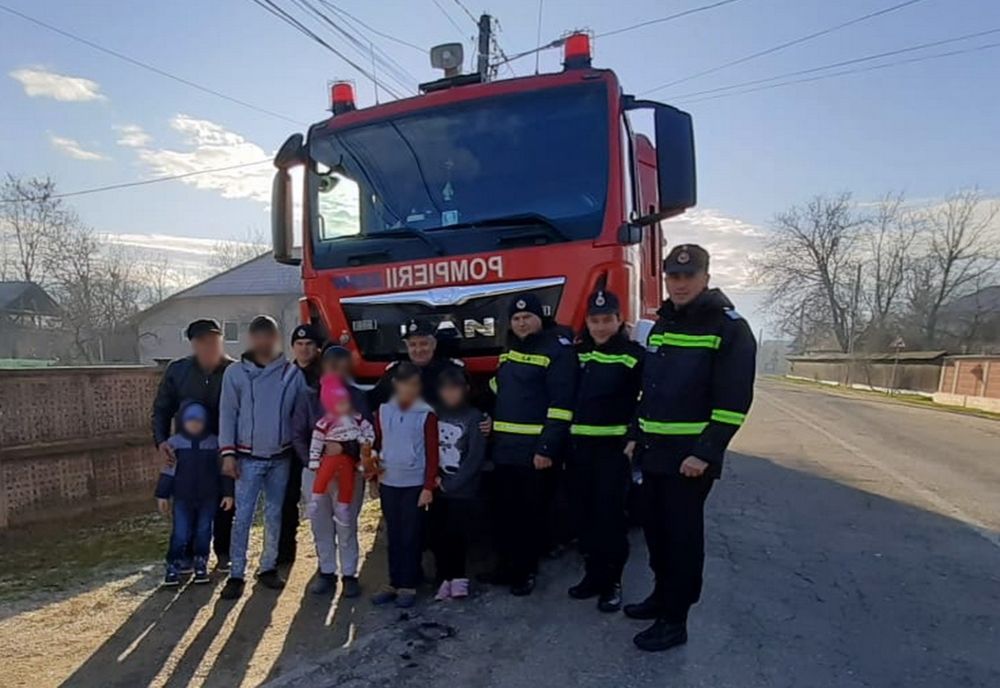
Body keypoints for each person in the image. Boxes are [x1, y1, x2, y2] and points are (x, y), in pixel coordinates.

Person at [625, 244, 756, 652]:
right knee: (657, 534)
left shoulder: (729, 328)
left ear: (706, 278)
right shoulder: (662, 324)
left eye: (688, 276)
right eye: (673, 276)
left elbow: (734, 402)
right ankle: (661, 597)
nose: (679, 283)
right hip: (653, 452)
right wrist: (634, 433)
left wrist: (706, 452)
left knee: (681, 540)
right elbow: (650, 389)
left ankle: (675, 619)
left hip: (689, 460)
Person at [488, 293, 577, 596]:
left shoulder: (557, 350)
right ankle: (504, 568)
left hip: (533, 451)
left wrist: (547, 449)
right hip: (505, 448)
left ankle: (525, 572)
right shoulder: (510, 348)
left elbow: (561, 406)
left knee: (529, 515)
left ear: (541, 318)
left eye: (527, 317)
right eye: (516, 318)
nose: (522, 322)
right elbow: (501, 388)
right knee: (504, 512)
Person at [218, 315, 306, 600]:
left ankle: (268, 566)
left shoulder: (291, 375)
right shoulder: (235, 374)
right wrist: (228, 453)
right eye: (258, 336)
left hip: (280, 457)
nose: (263, 342)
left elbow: (301, 415)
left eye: (269, 336)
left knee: (274, 515)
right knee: (242, 516)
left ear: (276, 338)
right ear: (251, 339)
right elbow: (227, 414)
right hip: (246, 458)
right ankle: (236, 573)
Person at [566, 289, 644, 613]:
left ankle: (612, 582)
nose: (600, 327)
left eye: (607, 320)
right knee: (583, 516)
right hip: (578, 449)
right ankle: (593, 576)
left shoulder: (633, 355)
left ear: (619, 320)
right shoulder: (578, 352)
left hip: (612, 451)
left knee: (609, 519)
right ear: (587, 322)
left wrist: (634, 436)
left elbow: (649, 399)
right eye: (594, 321)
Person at [150, 318, 235, 571]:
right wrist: (161, 440)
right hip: (186, 451)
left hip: (223, 448)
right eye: (202, 341)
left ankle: (223, 553)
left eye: (213, 339)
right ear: (193, 344)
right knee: (186, 504)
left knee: (224, 502)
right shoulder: (178, 371)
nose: (208, 345)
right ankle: (185, 555)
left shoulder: (234, 371)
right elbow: (161, 409)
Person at [292, 345, 370, 598]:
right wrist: (312, 462)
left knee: (346, 523)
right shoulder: (309, 396)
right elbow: (298, 433)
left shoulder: (357, 397)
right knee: (320, 524)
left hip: (349, 471)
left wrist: (345, 449)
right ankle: (326, 571)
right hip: (316, 472)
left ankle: (349, 574)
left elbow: (367, 436)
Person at [369, 362, 440, 609]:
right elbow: (376, 445)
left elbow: (433, 454)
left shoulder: (426, 414)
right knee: (394, 534)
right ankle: (393, 580)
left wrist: (428, 487)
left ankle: (409, 583)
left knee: (411, 534)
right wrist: (373, 478)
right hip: (389, 481)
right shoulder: (383, 411)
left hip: (414, 484)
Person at [155, 401, 234, 586]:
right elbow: (168, 470)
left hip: (208, 498)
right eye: (190, 420)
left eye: (199, 420)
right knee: (180, 533)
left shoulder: (215, 442)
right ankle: (174, 566)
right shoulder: (175, 443)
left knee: (204, 532)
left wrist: (228, 493)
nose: (195, 424)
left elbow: (223, 470)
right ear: (183, 421)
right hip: (182, 498)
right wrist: (162, 495)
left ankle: (201, 564)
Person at [430, 368, 488, 601]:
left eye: (455, 388)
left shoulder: (474, 417)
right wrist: (434, 479)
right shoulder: (434, 415)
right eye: (445, 388)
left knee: (458, 534)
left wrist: (453, 484)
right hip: (438, 486)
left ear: (465, 389)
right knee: (438, 534)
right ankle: (443, 577)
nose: (450, 393)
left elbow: (475, 457)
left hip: (463, 490)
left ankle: (459, 578)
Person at [277, 323, 324, 565]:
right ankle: (285, 554)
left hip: (319, 450)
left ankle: (325, 559)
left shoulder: (325, 375)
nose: (304, 349)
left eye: (309, 344)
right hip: (289, 451)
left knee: (321, 506)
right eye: (299, 344)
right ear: (293, 347)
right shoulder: (284, 375)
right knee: (287, 501)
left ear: (317, 348)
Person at [307, 374, 374, 526]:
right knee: (324, 474)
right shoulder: (326, 421)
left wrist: (367, 441)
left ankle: (343, 508)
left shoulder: (356, 417)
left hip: (350, 459)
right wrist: (314, 459)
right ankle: (315, 500)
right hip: (331, 457)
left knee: (347, 482)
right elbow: (317, 439)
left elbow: (368, 429)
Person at [367, 319, 467, 409]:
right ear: (407, 347)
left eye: (424, 344)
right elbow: (371, 402)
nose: (418, 350)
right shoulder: (396, 371)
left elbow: (473, 402)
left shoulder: (451, 370)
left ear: (434, 345)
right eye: (413, 345)